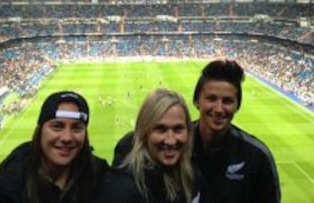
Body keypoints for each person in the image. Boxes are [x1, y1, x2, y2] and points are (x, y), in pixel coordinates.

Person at [112, 59, 281, 203]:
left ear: (237, 106)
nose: (219, 109)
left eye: (227, 101)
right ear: (196, 100)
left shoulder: (257, 157)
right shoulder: (176, 144)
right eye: (211, 98)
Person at [0, 91, 108, 203]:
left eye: (77, 128)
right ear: (40, 131)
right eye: (57, 126)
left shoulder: (104, 180)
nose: (67, 137)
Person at [93, 88, 199, 203]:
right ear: (144, 132)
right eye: (161, 129)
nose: (171, 141)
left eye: (178, 129)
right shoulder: (123, 190)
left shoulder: (191, 174)